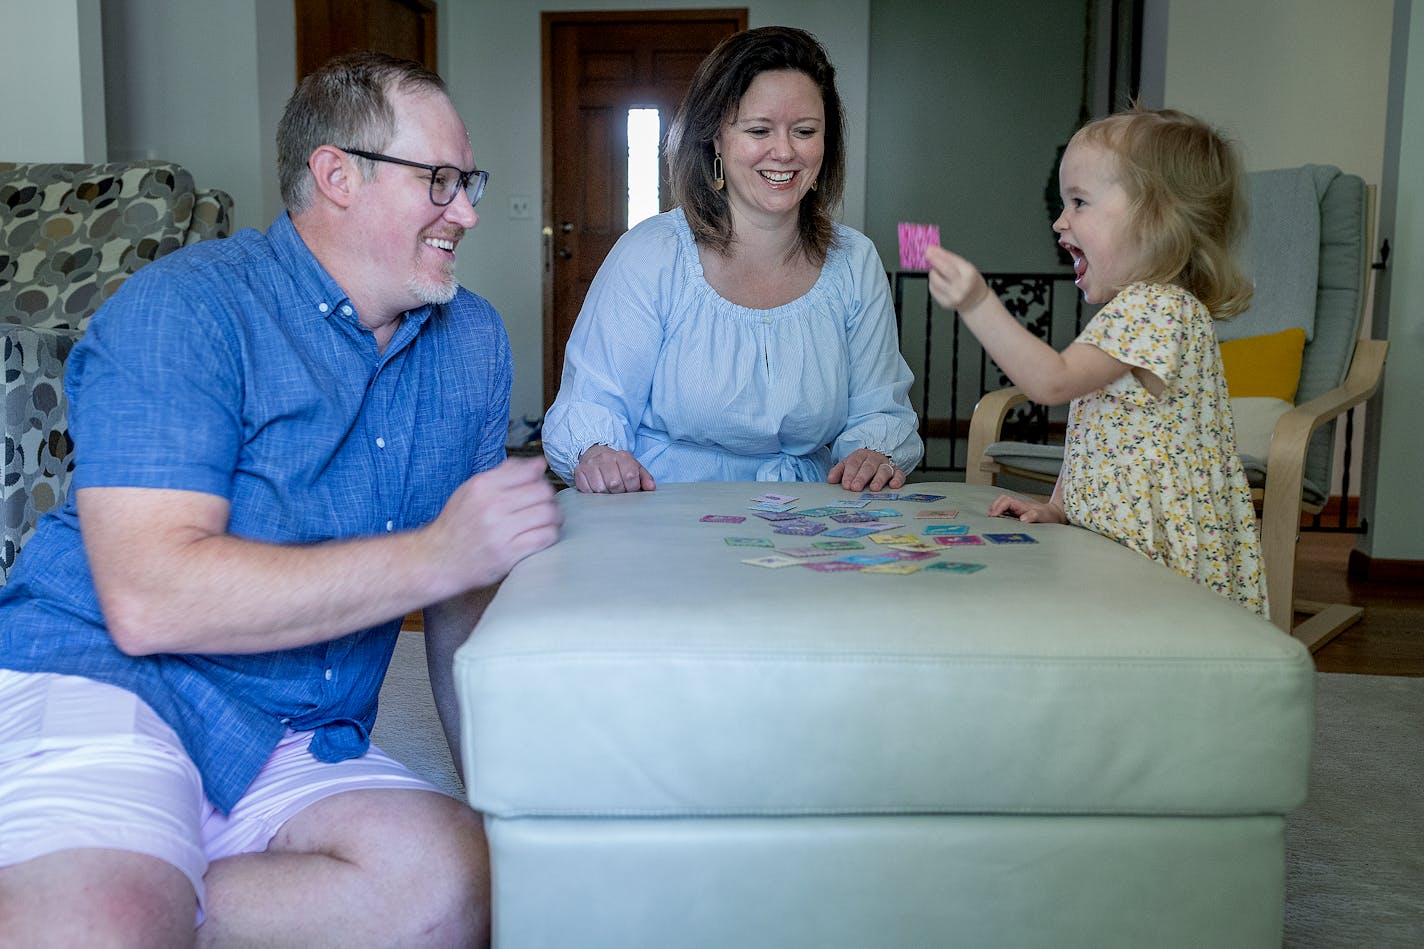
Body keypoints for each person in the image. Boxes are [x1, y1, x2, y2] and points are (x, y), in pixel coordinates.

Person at [0, 52, 559, 947]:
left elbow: (460, 610)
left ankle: (134, 872)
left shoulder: (474, 343)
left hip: (294, 725)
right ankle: (99, 881)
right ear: (337, 174)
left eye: (470, 180)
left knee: (452, 885)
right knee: (102, 920)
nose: (468, 210)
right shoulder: (185, 309)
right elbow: (148, 600)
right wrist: (438, 550)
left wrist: (495, 800)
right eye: (441, 181)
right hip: (111, 675)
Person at [541, 26, 923, 495]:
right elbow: (594, 403)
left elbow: (880, 411)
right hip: (665, 511)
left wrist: (874, 453)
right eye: (759, 130)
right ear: (716, 140)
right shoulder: (652, 254)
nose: (784, 152)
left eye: (804, 131)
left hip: (809, 516)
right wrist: (596, 452)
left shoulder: (854, 260)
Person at [925, 106, 1268, 616]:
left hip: (1153, 561)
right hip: (1122, 547)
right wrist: (1057, 507)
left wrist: (978, 303)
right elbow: (1099, 430)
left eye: (1080, 202)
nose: (1060, 222)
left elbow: (1052, 382)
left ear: (1159, 218)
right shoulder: (1143, 309)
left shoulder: (1156, 308)